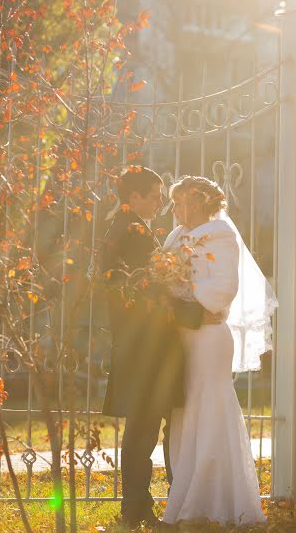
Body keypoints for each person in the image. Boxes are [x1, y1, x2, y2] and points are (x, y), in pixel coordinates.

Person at [162, 175, 277, 527]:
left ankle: (212, 499)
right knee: (186, 411)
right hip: (182, 336)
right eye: (175, 202)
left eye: (181, 201)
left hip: (210, 339)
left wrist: (184, 286)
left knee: (210, 409)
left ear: (199, 202)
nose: (176, 209)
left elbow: (224, 288)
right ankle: (185, 491)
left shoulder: (221, 236)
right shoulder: (174, 237)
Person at [101, 166, 206, 528]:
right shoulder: (133, 233)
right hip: (148, 348)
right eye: (155, 194)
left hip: (143, 346)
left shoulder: (128, 229)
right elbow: (151, 288)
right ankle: (138, 510)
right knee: (145, 430)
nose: (161, 201)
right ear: (134, 197)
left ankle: (155, 504)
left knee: (153, 427)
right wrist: (195, 314)